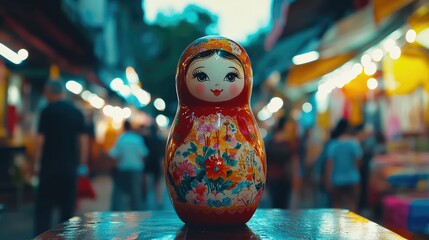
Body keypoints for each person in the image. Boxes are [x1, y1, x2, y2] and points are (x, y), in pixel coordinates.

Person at [33, 80, 88, 236]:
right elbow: (83, 141)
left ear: (50, 92)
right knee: (67, 210)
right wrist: (82, 164)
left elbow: (40, 140)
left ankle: (42, 237)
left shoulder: (47, 111)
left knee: (44, 209)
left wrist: (35, 163)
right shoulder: (76, 112)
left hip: (48, 167)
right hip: (70, 168)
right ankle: (66, 237)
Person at [109, 120, 148, 211]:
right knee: (136, 193)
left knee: (119, 192)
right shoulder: (137, 138)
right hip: (136, 168)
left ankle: (117, 211)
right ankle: (137, 212)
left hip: (123, 168)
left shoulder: (121, 138)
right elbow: (143, 154)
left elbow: (114, 154)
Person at [325, 119, 362, 212]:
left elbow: (330, 165)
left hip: (336, 180)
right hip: (352, 179)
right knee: (352, 208)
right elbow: (358, 162)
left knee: (336, 208)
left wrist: (328, 181)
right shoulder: (354, 143)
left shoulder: (333, 144)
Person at [265, 116, 300, 209]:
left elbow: (266, 158)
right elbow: (293, 159)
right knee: (284, 203)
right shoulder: (289, 140)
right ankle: (283, 223)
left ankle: (276, 222)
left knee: (274, 203)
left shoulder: (270, 139)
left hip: (272, 175)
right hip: (285, 175)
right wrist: (296, 175)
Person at [139, 124, 165, 210]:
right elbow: (161, 153)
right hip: (156, 162)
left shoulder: (145, 139)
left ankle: (145, 198)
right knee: (157, 182)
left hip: (148, 161)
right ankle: (159, 201)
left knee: (146, 180)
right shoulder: (159, 139)